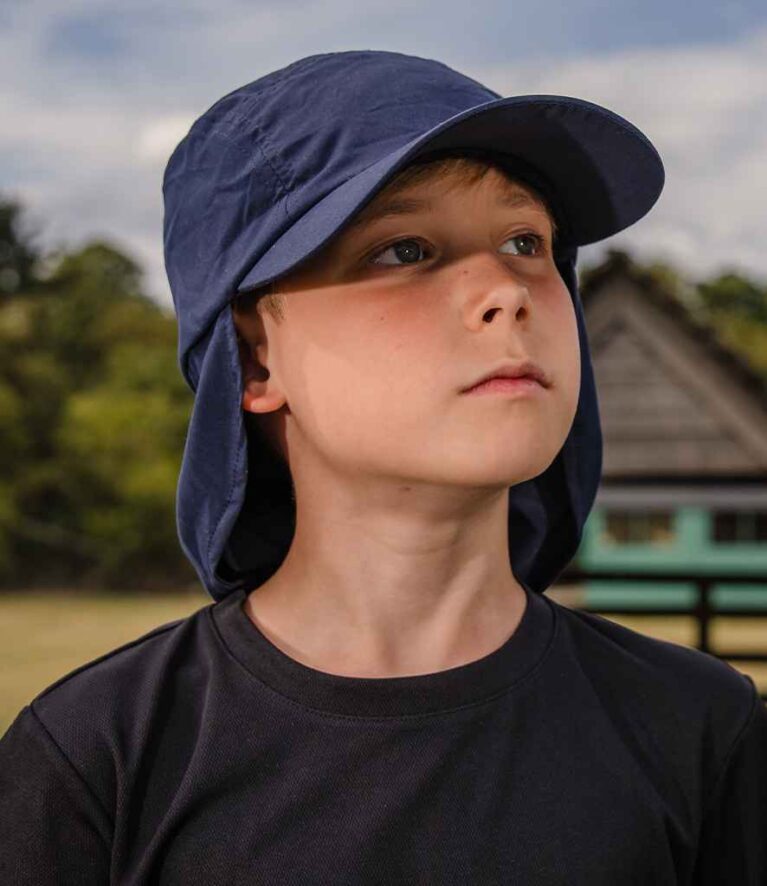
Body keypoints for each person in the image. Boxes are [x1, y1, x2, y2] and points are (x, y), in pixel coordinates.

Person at [1, 49, 765, 885]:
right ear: (253, 362)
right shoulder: (95, 763)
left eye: (525, 241)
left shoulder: (707, 734)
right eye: (403, 250)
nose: (507, 291)